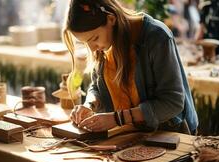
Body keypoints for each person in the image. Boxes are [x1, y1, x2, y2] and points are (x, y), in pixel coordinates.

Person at [63, 0, 198, 134]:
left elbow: (173, 103)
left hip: (169, 134)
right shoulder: (105, 44)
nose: (92, 49)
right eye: (86, 43)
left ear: (111, 19)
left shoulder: (156, 37)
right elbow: (97, 86)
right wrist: (90, 105)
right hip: (131, 134)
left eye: (94, 38)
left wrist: (118, 118)